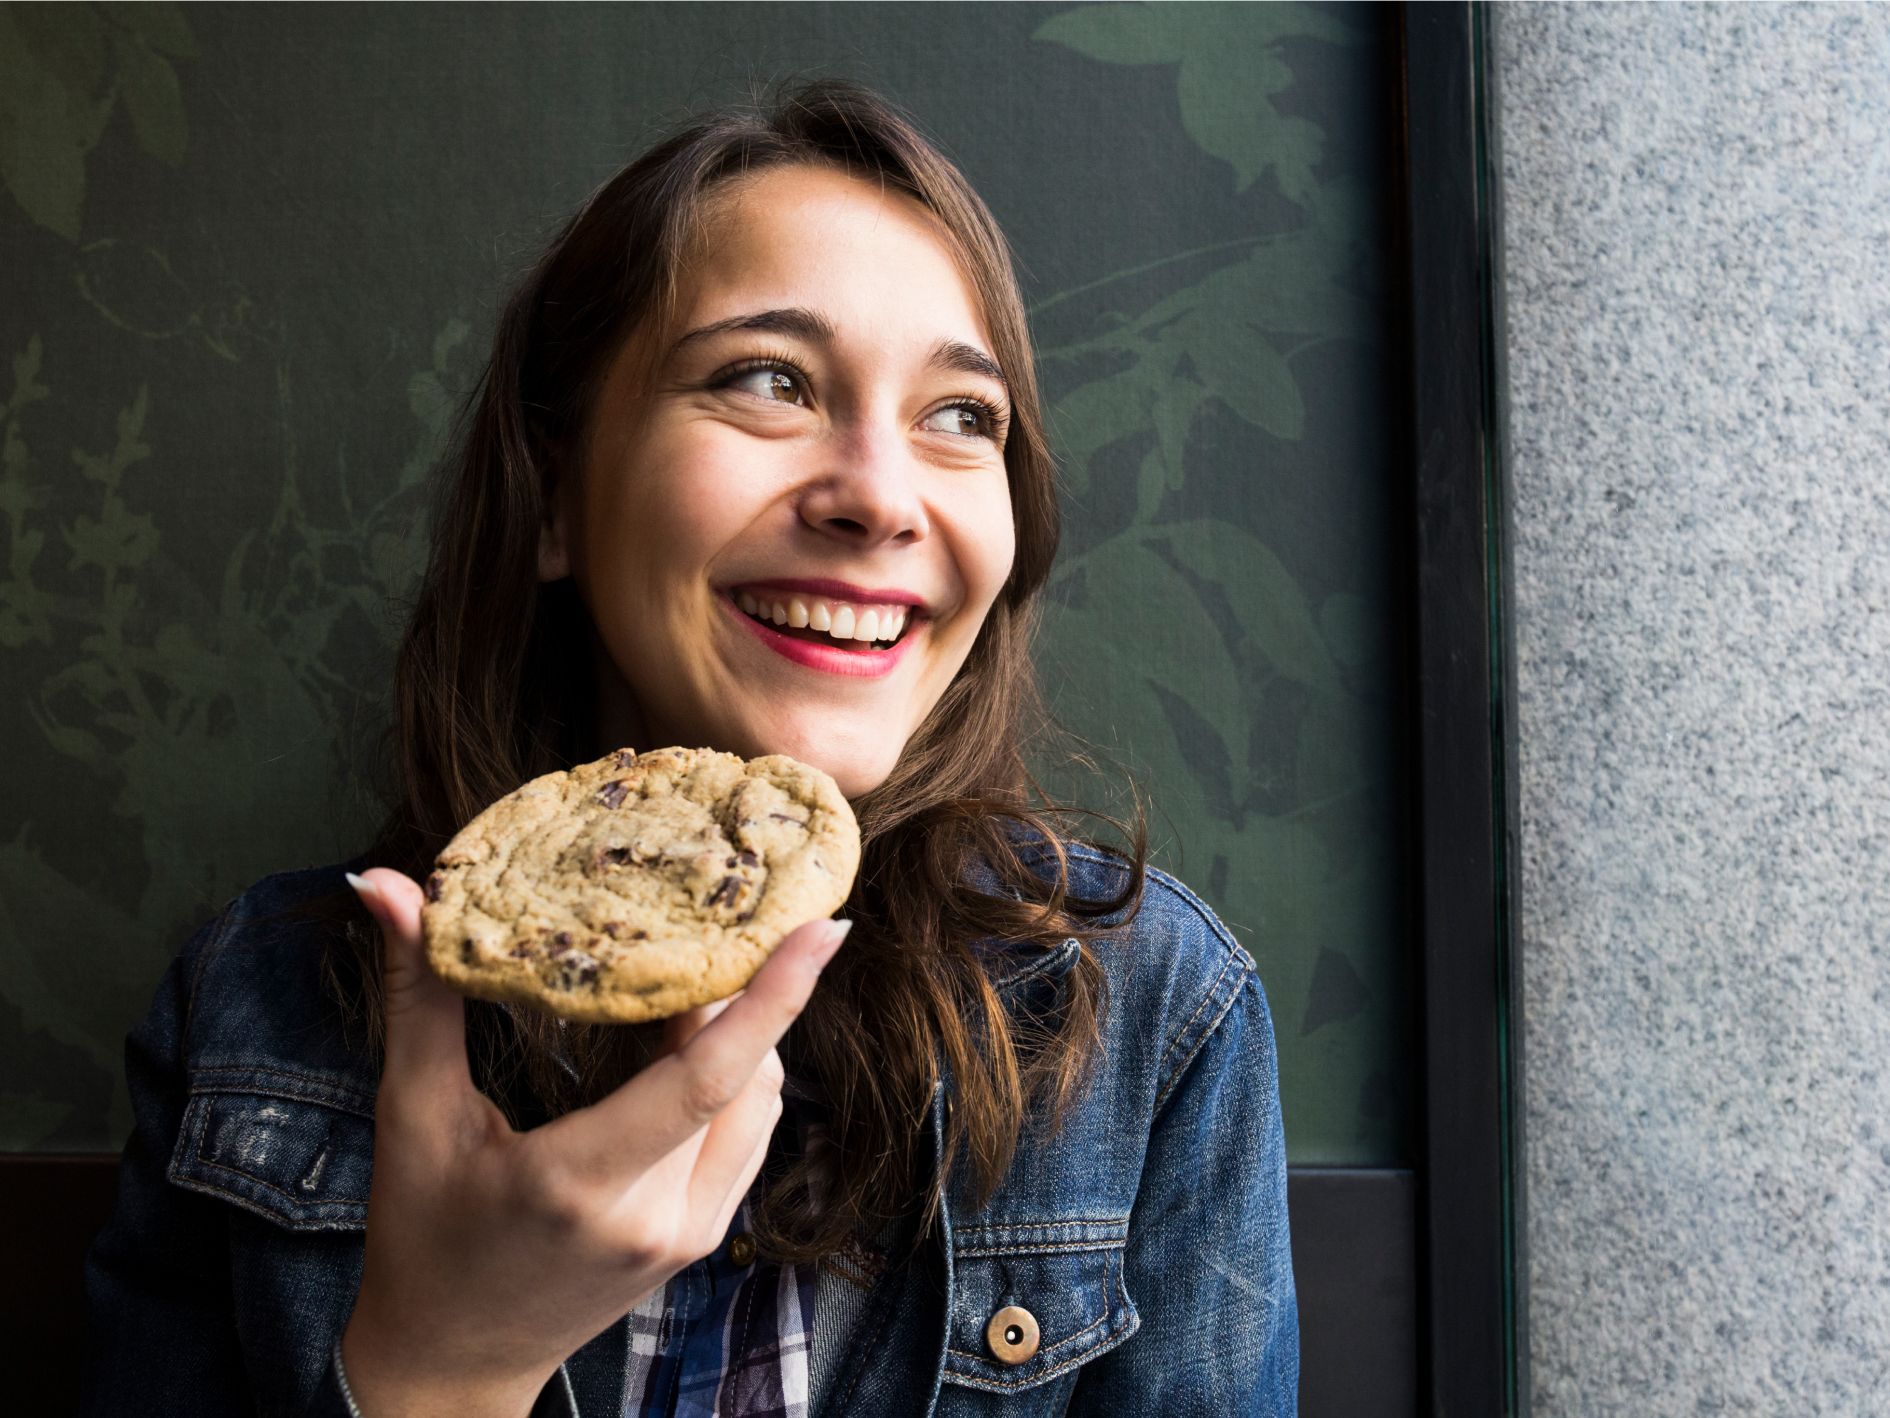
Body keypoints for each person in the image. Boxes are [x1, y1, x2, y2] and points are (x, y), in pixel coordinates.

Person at [80, 80, 1298, 1416]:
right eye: (767, 380)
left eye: (961, 415)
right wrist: (443, 1365)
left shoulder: (1153, 1017)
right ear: (554, 496)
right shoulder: (263, 1008)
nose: (881, 498)